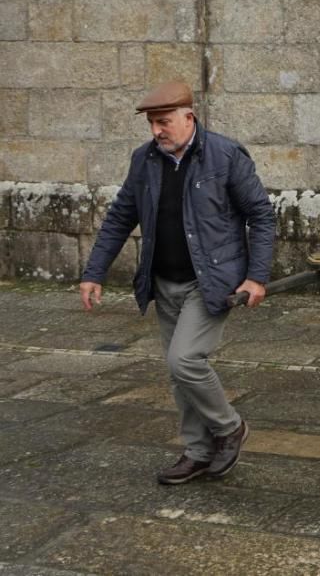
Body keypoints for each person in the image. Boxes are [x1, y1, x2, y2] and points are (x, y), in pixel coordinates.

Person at [80, 81, 275, 485]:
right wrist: (94, 272)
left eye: (164, 122)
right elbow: (120, 216)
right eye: (152, 123)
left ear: (189, 117)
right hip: (162, 280)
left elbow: (261, 214)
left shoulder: (225, 155)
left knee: (184, 360)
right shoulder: (145, 160)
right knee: (178, 373)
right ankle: (198, 451)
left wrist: (256, 276)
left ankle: (229, 428)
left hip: (211, 281)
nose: (157, 131)